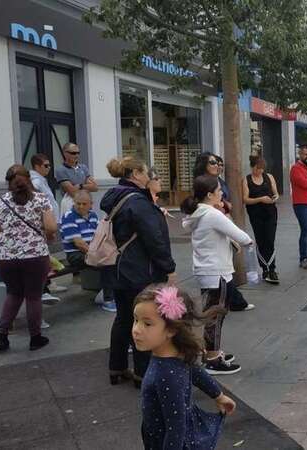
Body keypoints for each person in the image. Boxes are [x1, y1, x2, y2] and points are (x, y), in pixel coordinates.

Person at [101, 157, 176, 386]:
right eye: (146, 173)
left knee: (123, 318)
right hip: (140, 271)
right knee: (145, 320)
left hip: (118, 268)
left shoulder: (115, 196)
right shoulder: (138, 202)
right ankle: (142, 373)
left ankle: (117, 367)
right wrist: (169, 268)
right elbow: (154, 239)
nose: (148, 177)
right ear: (135, 174)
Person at [133, 285, 236, 449]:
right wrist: (218, 395)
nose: (136, 330)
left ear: (171, 330)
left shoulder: (166, 375)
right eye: (136, 320)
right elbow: (195, 371)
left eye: (147, 324)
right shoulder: (175, 354)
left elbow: (176, 428)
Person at [182, 175, 254, 375]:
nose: (222, 193)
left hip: (208, 269)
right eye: (219, 190)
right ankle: (212, 359)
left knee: (213, 312)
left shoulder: (197, 213)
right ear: (209, 194)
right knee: (215, 314)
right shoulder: (212, 215)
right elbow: (241, 236)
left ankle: (210, 351)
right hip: (216, 271)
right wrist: (248, 241)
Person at [0, 165, 57, 352]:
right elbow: (51, 227)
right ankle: (35, 338)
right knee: (33, 296)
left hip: (6, 257)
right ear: (29, 179)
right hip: (35, 256)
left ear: (8, 182)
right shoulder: (41, 200)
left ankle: (2, 335)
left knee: (14, 293)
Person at [60, 190, 116, 312]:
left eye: (84, 204)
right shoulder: (68, 217)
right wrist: (98, 254)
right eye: (78, 203)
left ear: (91, 204)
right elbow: (79, 243)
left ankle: (110, 293)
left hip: (91, 250)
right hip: (75, 254)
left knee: (115, 258)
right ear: (74, 203)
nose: (80, 206)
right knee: (107, 264)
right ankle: (108, 300)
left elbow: (99, 236)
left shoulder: (93, 215)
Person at [30, 153, 66, 301]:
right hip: (44, 223)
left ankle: (49, 282)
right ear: (37, 166)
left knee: (47, 253)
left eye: (49, 165)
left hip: (49, 220)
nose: (49, 168)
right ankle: (45, 285)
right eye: (46, 165)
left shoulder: (41, 180)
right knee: (44, 254)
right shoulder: (36, 182)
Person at [243, 155, 280, 283]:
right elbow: (245, 199)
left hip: (270, 212)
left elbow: (275, 193)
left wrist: (274, 198)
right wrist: (260, 199)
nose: (260, 171)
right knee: (261, 240)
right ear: (252, 167)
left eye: (262, 169)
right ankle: (265, 268)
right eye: (258, 168)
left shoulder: (269, 177)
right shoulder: (247, 180)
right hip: (256, 214)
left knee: (270, 240)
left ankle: (272, 269)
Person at [55, 143, 97, 220]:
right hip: (70, 203)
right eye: (73, 153)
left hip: (86, 202)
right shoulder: (61, 170)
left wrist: (80, 186)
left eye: (78, 153)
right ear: (65, 153)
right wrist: (86, 186)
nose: (76, 155)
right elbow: (72, 192)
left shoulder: (83, 167)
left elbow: (95, 187)